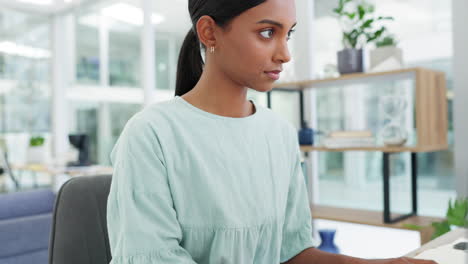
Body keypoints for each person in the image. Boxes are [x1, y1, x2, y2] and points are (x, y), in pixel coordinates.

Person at [106, 0, 438, 263]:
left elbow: (291, 252)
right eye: (267, 32)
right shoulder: (150, 135)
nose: (285, 54)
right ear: (209, 33)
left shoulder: (278, 132)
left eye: (288, 33)